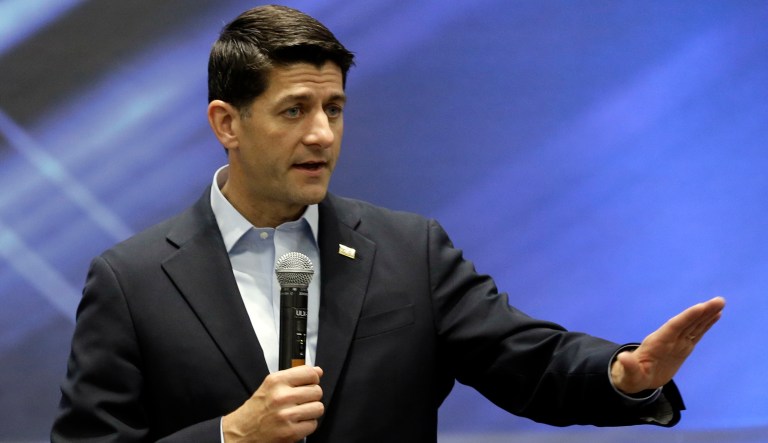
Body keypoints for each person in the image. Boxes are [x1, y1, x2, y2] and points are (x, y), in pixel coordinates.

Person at [51, 5, 725, 442]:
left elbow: (532, 362)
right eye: (294, 110)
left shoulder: (409, 251)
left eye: (335, 108)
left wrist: (625, 373)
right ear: (227, 122)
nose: (322, 134)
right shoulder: (132, 280)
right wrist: (229, 435)